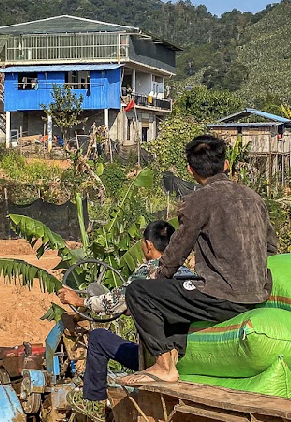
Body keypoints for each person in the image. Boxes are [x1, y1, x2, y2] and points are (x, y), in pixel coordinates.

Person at [118, 135, 278, 386]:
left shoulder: (198, 200)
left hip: (222, 297)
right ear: (226, 164)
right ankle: (174, 353)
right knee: (178, 292)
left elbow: (175, 253)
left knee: (139, 292)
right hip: (258, 293)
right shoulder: (253, 198)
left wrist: (156, 279)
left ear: (190, 170)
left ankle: (164, 365)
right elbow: (271, 247)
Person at [56, 220, 193, 402]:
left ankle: (95, 401)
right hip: (184, 349)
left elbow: (115, 301)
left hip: (157, 356)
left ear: (148, 245)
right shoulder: (187, 273)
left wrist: (79, 300)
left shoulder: (150, 270)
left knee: (97, 337)